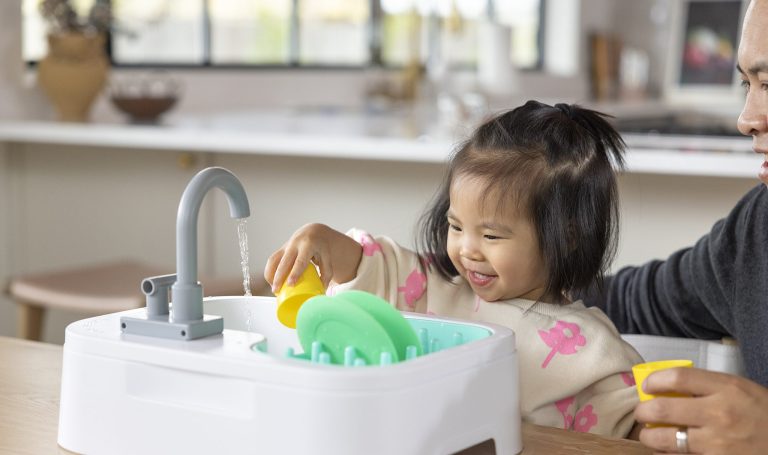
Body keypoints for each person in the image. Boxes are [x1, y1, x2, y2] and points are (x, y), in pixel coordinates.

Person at [265, 100, 644, 438]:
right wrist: (324, 241)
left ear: (568, 237)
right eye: (457, 226)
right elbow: (379, 269)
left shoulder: (595, 355)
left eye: (492, 236)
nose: (466, 250)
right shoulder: (436, 287)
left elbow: (630, 432)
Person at [577, 1, 768, 452]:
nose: (746, 119)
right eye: (747, 84)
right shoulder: (755, 234)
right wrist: (449, 271)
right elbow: (630, 299)